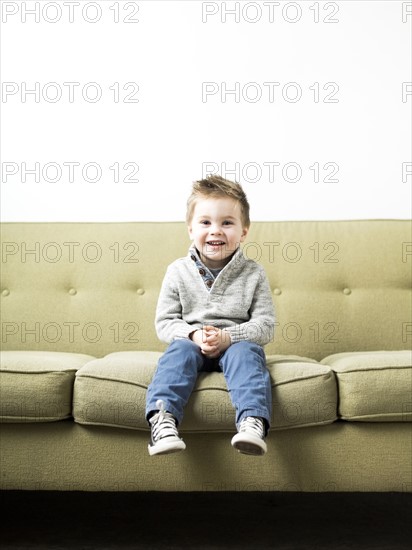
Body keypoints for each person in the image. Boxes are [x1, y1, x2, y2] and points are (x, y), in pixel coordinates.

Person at [145, 174, 275, 456]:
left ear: (244, 231)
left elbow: (265, 327)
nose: (216, 230)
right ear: (190, 228)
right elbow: (165, 323)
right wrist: (192, 333)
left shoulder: (254, 273)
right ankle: (162, 419)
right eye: (206, 222)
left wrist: (229, 337)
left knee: (246, 354)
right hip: (192, 343)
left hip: (235, 346)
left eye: (227, 222)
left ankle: (252, 422)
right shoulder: (177, 271)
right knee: (178, 352)